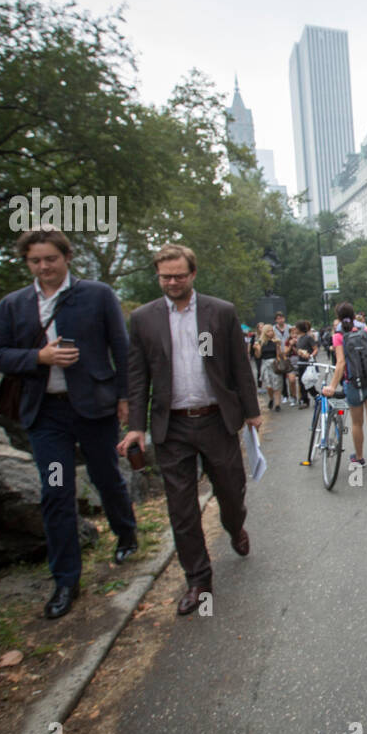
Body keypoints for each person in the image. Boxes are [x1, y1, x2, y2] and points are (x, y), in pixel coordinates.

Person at [0, 226, 137, 620]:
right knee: (56, 490)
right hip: (46, 414)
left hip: (94, 409)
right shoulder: (13, 305)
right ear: (27, 263)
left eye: (50, 259)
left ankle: (126, 532)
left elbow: (121, 348)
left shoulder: (97, 295)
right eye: (35, 260)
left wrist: (125, 398)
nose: (44, 266)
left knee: (107, 478)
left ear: (67, 257)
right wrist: (38, 358)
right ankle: (66, 578)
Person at [117, 244, 261, 615]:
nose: (173, 282)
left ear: (193, 274)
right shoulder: (144, 319)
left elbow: (238, 366)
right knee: (181, 509)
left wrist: (251, 411)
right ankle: (198, 580)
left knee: (231, 492)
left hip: (216, 420)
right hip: (172, 426)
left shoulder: (220, 312)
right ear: (158, 276)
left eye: (179, 275)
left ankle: (235, 527)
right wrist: (135, 427)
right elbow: (137, 377)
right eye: (165, 276)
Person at [322, 302, 367, 476]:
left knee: (357, 423)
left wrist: (332, 386)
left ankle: (359, 457)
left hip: (353, 384)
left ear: (338, 317)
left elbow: (341, 363)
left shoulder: (338, 336)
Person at [254, 324, 283, 411]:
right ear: (265, 333)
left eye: (271, 331)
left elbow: (279, 355)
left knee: (277, 384)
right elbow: (258, 356)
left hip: (274, 363)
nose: (270, 333)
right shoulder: (260, 342)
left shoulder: (275, 341)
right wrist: (257, 349)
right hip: (265, 364)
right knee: (269, 385)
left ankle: (277, 404)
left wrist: (278, 347)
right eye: (268, 331)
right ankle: (271, 398)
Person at [292, 319, 317, 407]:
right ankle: (305, 399)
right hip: (301, 362)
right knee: (301, 382)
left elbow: (315, 349)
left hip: (307, 363)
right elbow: (298, 350)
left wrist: (310, 356)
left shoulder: (308, 337)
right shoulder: (299, 339)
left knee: (307, 381)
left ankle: (316, 396)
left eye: (296, 328)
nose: (295, 330)